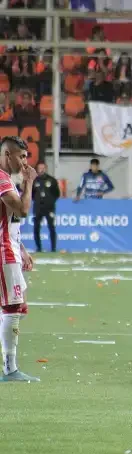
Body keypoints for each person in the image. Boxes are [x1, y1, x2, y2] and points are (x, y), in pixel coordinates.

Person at [0, 136, 38, 382]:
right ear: (7, 155)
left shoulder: (6, 180)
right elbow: (23, 210)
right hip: (3, 251)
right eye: (21, 156)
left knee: (15, 306)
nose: (25, 162)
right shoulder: (2, 180)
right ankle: (10, 369)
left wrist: (21, 246)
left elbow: (9, 219)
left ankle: (9, 366)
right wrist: (30, 183)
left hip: (10, 247)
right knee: (14, 307)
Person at [32, 162, 60, 253]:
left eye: (43, 168)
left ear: (46, 168)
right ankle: (39, 248)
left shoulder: (52, 180)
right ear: (37, 169)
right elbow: (32, 194)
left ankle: (53, 248)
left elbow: (57, 194)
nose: (41, 170)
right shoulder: (34, 180)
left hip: (49, 208)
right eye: (40, 168)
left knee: (51, 228)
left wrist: (50, 201)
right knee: (36, 228)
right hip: (38, 208)